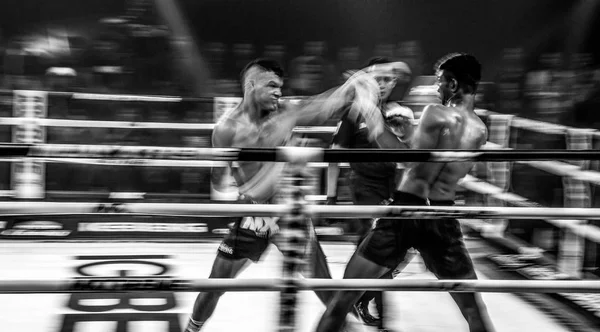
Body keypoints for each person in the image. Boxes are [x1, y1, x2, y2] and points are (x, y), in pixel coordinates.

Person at [185, 58, 381, 332]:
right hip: (256, 214)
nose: (279, 91)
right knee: (217, 282)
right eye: (271, 85)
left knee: (325, 288)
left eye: (280, 86)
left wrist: (354, 85)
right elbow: (220, 182)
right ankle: (192, 329)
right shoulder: (227, 129)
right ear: (251, 85)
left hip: (290, 213)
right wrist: (235, 175)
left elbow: (322, 105)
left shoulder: (285, 113)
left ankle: (350, 330)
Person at [316, 53, 496, 332]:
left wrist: (371, 114)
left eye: (440, 83)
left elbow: (410, 161)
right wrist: (410, 134)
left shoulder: (436, 113)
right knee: (473, 308)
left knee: (344, 297)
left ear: (453, 84)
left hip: (407, 210)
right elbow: (439, 163)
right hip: (442, 215)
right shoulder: (481, 130)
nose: (436, 89)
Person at [326, 57, 414, 330]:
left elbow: (408, 159)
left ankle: (359, 298)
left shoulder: (396, 113)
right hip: (363, 191)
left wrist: (407, 134)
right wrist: (330, 198)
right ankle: (378, 317)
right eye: (378, 78)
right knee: (378, 252)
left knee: (402, 249)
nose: (383, 84)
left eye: (389, 79)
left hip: (391, 191)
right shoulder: (354, 112)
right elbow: (334, 156)